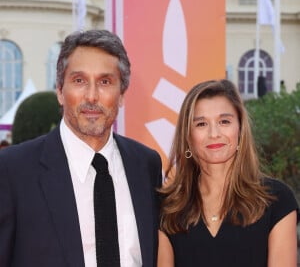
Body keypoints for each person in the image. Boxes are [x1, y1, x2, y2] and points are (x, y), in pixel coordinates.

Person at [0, 29, 162, 267]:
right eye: (79, 81)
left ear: (122, 95)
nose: (92, 96)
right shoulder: (13, 170)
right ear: (59, 91)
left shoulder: (146, 164)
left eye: (105, 82)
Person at [157, 79, 299, 267]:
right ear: (188, 137)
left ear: (240, 130)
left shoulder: (276, 200)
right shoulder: (169, 207)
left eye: (224, 121)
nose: (214, 133)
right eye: (201, 124)